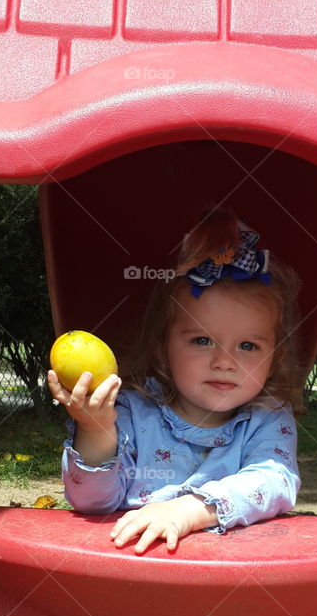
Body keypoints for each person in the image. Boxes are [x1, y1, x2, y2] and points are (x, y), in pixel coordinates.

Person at [47, 210, 302, 554]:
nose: (224, 362)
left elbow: (275, 482)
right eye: (202, 340)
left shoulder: (267, 420)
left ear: (276, 360)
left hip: (227, 577)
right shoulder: (133, 412)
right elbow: (91, 503)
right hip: (133, 571)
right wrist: (95, 429)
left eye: (247, 346)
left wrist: (189, 511)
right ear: (162, 347)